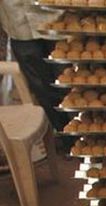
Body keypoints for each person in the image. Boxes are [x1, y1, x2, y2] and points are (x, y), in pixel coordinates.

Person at [0, 0, 69, 131]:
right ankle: (65, 139)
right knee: (42, 89)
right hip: (18, 24)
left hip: (59, 19)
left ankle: (87, 140)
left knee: (71, 85)